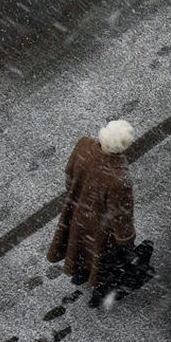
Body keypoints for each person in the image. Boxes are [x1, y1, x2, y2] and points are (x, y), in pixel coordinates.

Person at [46, 120, 136, 307]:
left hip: (77, 211)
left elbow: (69, 175)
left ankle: (79, 273)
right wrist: (126, 239)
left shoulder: (83, 146)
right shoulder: (119, 179)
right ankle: (98, 292)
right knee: (102, 256)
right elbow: (119, 215)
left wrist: (78, 194)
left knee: (78, 243)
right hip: (100, 225)